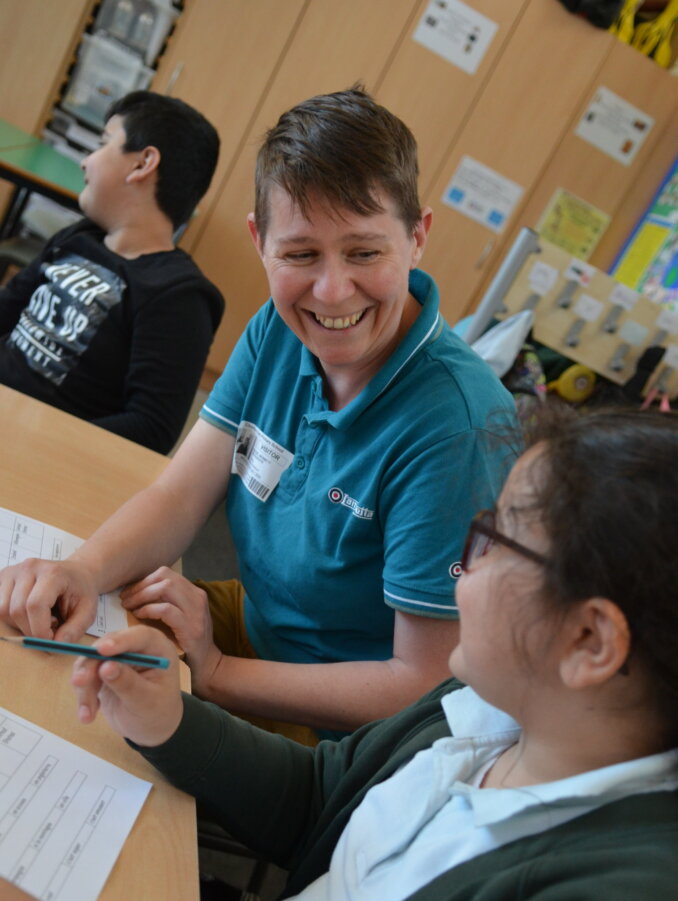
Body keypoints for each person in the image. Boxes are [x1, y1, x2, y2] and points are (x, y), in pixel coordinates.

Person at [2, 406, 677, 901]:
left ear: (589, 642)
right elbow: (322, 799)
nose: (459, 570)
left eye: (495, 540)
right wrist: (170, 721)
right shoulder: (490, 714)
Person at [0, 87, 517, 738]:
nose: (332, 292)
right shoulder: (277, 326)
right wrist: (83, 569)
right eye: (300, 255)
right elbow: (180, 496)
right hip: (255, 621)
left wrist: (215, 671)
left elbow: (415, 684)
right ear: (259, 240)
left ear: (417, 238)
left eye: (364, 252)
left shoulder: (456, 427)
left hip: (340, 723)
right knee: (51, 660)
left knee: (103, 742)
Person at [0, 90, 225, 455]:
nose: (85, 162)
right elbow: (7, 308)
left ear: (142, 164)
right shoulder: (78, 236)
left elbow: (150, 427)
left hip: (34, 451)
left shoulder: (178, 295)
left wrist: (32, 434)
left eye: (103, 144)